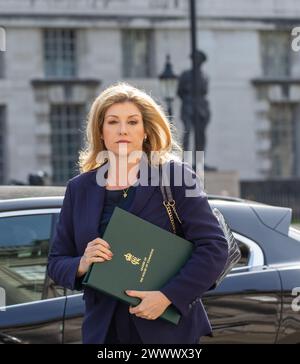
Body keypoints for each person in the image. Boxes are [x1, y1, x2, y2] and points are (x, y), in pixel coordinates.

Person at [47, 82, 228, 344]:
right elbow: (56, 262)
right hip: (104, 331)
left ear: (145, 130)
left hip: (165, 331)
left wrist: (167, 297)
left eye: (132, 122)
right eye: (112, 122)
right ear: (100, 130)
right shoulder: (79, 188)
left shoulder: (176, 176)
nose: (123, 130)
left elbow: (214, 247)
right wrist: (82, 263)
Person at [177, 49, 210, 152]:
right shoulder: (186, 75)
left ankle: (200, 162)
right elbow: (180, 91)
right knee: (187, 132)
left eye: (199, 61)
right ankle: (185, 160)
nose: (197, 63)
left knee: (200, 135)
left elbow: (204, 92)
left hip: (201, 109)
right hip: (188, 106)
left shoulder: (204, 76)